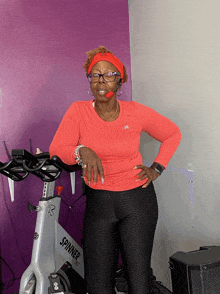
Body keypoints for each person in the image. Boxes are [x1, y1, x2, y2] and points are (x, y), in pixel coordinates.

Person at [49, 45, 181, 294]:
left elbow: (172, 133)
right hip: (99, 203)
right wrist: (81, 150)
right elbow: (57, 149)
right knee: (98, 284)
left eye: (109, 74)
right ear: (89, 79)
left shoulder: (135, 112)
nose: (101, 80)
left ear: (120, 82)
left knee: (138, 281)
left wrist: (157, 167)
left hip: (137, 202)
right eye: (95, 74)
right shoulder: (78, 111)